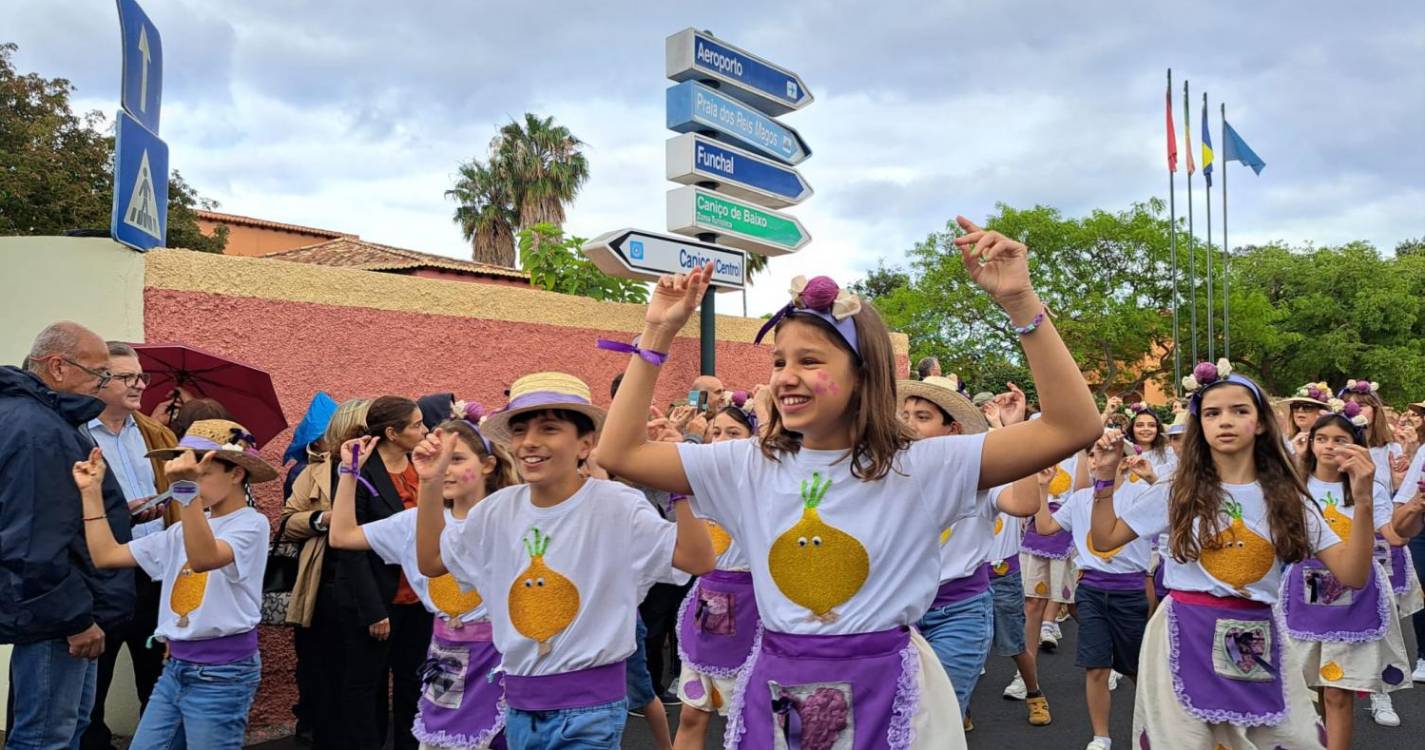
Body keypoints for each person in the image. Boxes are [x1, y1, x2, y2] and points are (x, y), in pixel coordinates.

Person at [598, 215, 1102, 750]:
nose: (785, 376)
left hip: (891, 694)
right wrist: (657, 334)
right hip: (775, 689)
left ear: (863, 374)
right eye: (778, 361)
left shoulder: (922, 466)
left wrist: (1020, 302)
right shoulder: (747, 465)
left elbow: (1073, 426)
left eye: (809, 360)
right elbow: (619, 452)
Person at [417, 371, 715, 749]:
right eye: (520, 430)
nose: (530, 441)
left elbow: (697, 559)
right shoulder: (495, 511)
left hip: (590, 710)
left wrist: (679, 482)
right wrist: (430, 483)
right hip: (518, 707)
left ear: (585, 444)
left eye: (549, 428)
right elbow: (432, 561)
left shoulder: (615, 505)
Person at [1090, 359, 1374, 749]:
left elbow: (1353, 574)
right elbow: (1105, 538)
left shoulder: (1287, 498)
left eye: (1239, 411)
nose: (1225, 421)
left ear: (1260, 423)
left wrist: (1363, 501)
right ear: (1201, 425)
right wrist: (1104, 479)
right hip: (1183, 631)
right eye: (1212, 413)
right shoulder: (1178, 490)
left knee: (1288, 738)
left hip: (1255, 631)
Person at [75, 419, 274, 750]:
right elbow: (106, 555)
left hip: (222, 674)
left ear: (237, 473)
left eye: (200, 473)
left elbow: (204, 557)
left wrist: (186, 492)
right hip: (175, 668)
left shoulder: (251, 524)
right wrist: (91, 493)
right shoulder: (180, 531)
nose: (190, 482)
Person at [331, 420, 518, 750]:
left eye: (456, 459)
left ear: (488, 464)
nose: (445, 469)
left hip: (500, 657)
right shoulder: (413, 522)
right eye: (438, 460)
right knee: (441, 741)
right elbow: (342, 536)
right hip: (445, 655)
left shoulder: (511, 518)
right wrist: (349, 472)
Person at [1, 321, 134, 750]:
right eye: (99, 373)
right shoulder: (39, 430)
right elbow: (34, 541)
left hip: (57, 610)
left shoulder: (33, 420)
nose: (103, 384)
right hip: (57, 617)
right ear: (57, 367)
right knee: (46, 737)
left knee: (63, 730)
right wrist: (75, 620)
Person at [1282, 405, 1412, 745]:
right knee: (1313, 686)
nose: (1329, 446)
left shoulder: (1370, 488)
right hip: (1305, 594)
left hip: (1356, 595)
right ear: (1310, 443)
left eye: (1339, 439)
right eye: (1321, 438)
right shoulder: (1293, 486)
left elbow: (1393, 535)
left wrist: (1412, 511)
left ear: (1355, 445)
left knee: (1338, 692)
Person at [1023, 438, 1153, 750]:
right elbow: (1046, 527)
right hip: (1091, 589)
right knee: (1096, 666)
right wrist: (1042, 488)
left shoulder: (1141, 494)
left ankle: (1153, 724)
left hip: (1130, 589)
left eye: (1105, 454)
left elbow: (1175, 508)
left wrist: (1152, 478)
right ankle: (1101, 737)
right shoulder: (1080, 498)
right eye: (1092, 455)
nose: (1096, 461)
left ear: (1124, 461)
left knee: (1136, 667)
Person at [82, 342, 177, 750]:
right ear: (99, 381)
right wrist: (122, 514)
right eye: (126, 377)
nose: (138, 384)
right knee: (91, 686)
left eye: (141, 376)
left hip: (155, 574)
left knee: (157, 679)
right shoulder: (77, 433)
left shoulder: (156, 433)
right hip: (102, 575)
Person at [334, 395, 433, 750]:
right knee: (366, 685)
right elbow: (351, 547)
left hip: (419, 599)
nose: (426, 430)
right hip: (376, 598)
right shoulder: (360, 470)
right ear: (392, 433)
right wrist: (374, 610)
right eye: (417, 425)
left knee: (413, 682)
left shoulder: (423, 467)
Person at [281, 397, 371, 750]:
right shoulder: (313, 471)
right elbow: (287, 522)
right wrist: (323, 519)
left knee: (362, 678)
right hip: (324, 584)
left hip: (372, 585)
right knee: (322, 669)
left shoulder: (385, 470)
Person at [673, 406, 763, 750]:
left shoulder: (761, 485)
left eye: (733, 433)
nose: (722, 440)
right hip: (705, 609)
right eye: (716, 432)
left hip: (751, 611)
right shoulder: (699, 483)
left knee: (749, 721)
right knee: (691, 714)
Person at [1282, 383, 1332, 454]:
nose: (1300, 410)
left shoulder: (1328, 443)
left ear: (1321, 412)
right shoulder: (1284, 442)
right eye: (1296, 406)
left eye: (1307, 407)